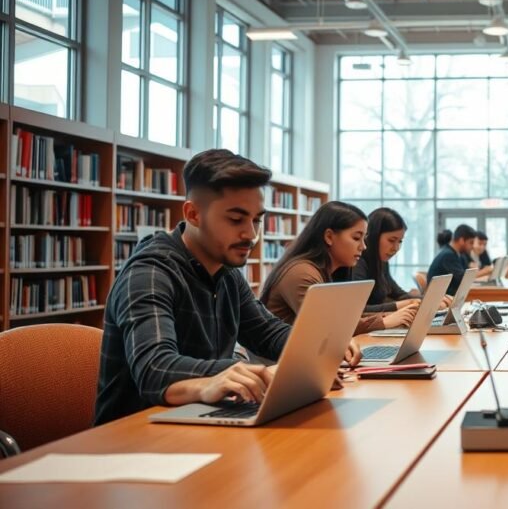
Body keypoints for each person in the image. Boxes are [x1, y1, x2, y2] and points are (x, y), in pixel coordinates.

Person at [95, 150, 361, 426]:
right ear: (193, 214)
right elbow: (155, 367)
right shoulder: (149, 272)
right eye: (236, 219)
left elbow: (265, 330)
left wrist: (320, 345)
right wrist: (243, 372)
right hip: (134, 436)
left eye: (256, 220)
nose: (252, 234)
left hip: (200, 423)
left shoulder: (226, 272)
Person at [261, 202, 418, 334]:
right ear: (329, 237)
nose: (363, 247)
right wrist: (385, 321)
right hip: (276, 364)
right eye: (356, 238)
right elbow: (329, 327)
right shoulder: (302, 273)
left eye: (364, 239)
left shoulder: (327, 270)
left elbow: (346, 316)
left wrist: (389, 317)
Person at [427, 223, 474, 293]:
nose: (472, 246)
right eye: (471, 243)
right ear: (461, 240)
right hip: (443, 297)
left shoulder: (457, 254)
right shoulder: (448, 255)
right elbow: (463, 279)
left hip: (449, 295)